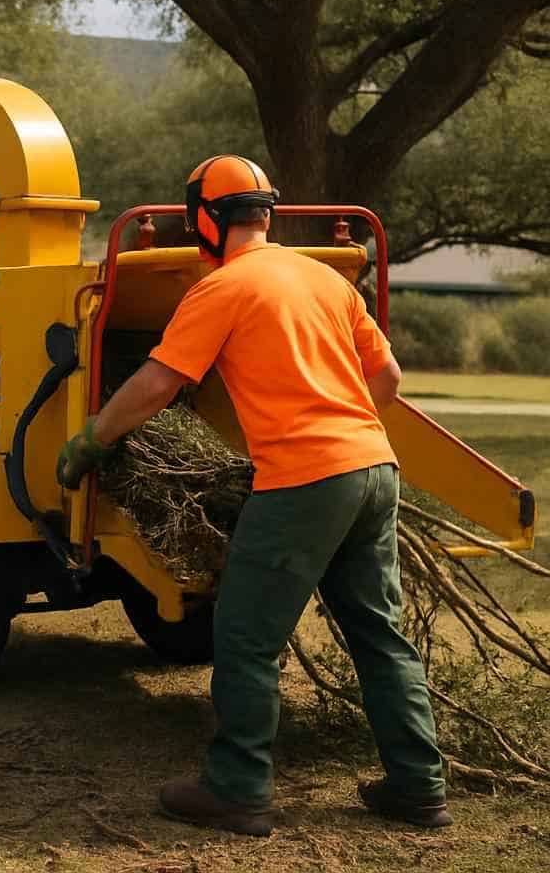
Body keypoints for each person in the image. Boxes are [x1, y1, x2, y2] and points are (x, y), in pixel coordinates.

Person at [55, 155, 449, 838]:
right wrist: (333, 414)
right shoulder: (325, 279)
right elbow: (387, 376)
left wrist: (92, 440)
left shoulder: (223, 288)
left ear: (204, 219)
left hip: (306, 480)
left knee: (244, 636)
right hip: (373, 471)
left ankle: (236, 788)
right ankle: (418, 786)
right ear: (267, 213)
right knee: (379, 634)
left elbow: (156, 385)